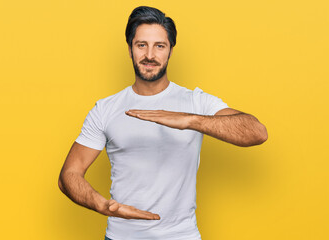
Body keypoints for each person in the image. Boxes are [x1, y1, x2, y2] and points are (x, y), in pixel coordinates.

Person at [58, 5, 268, 240]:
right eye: (141, 45)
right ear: (130, 49)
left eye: (159, 46)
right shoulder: (105, 109)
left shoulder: (195, 101)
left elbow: (257, 132)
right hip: (121, 236)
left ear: (170, 51)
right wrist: (103, 205)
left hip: (182, 236)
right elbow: (69, 174)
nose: (150, 55)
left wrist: (190, 120)